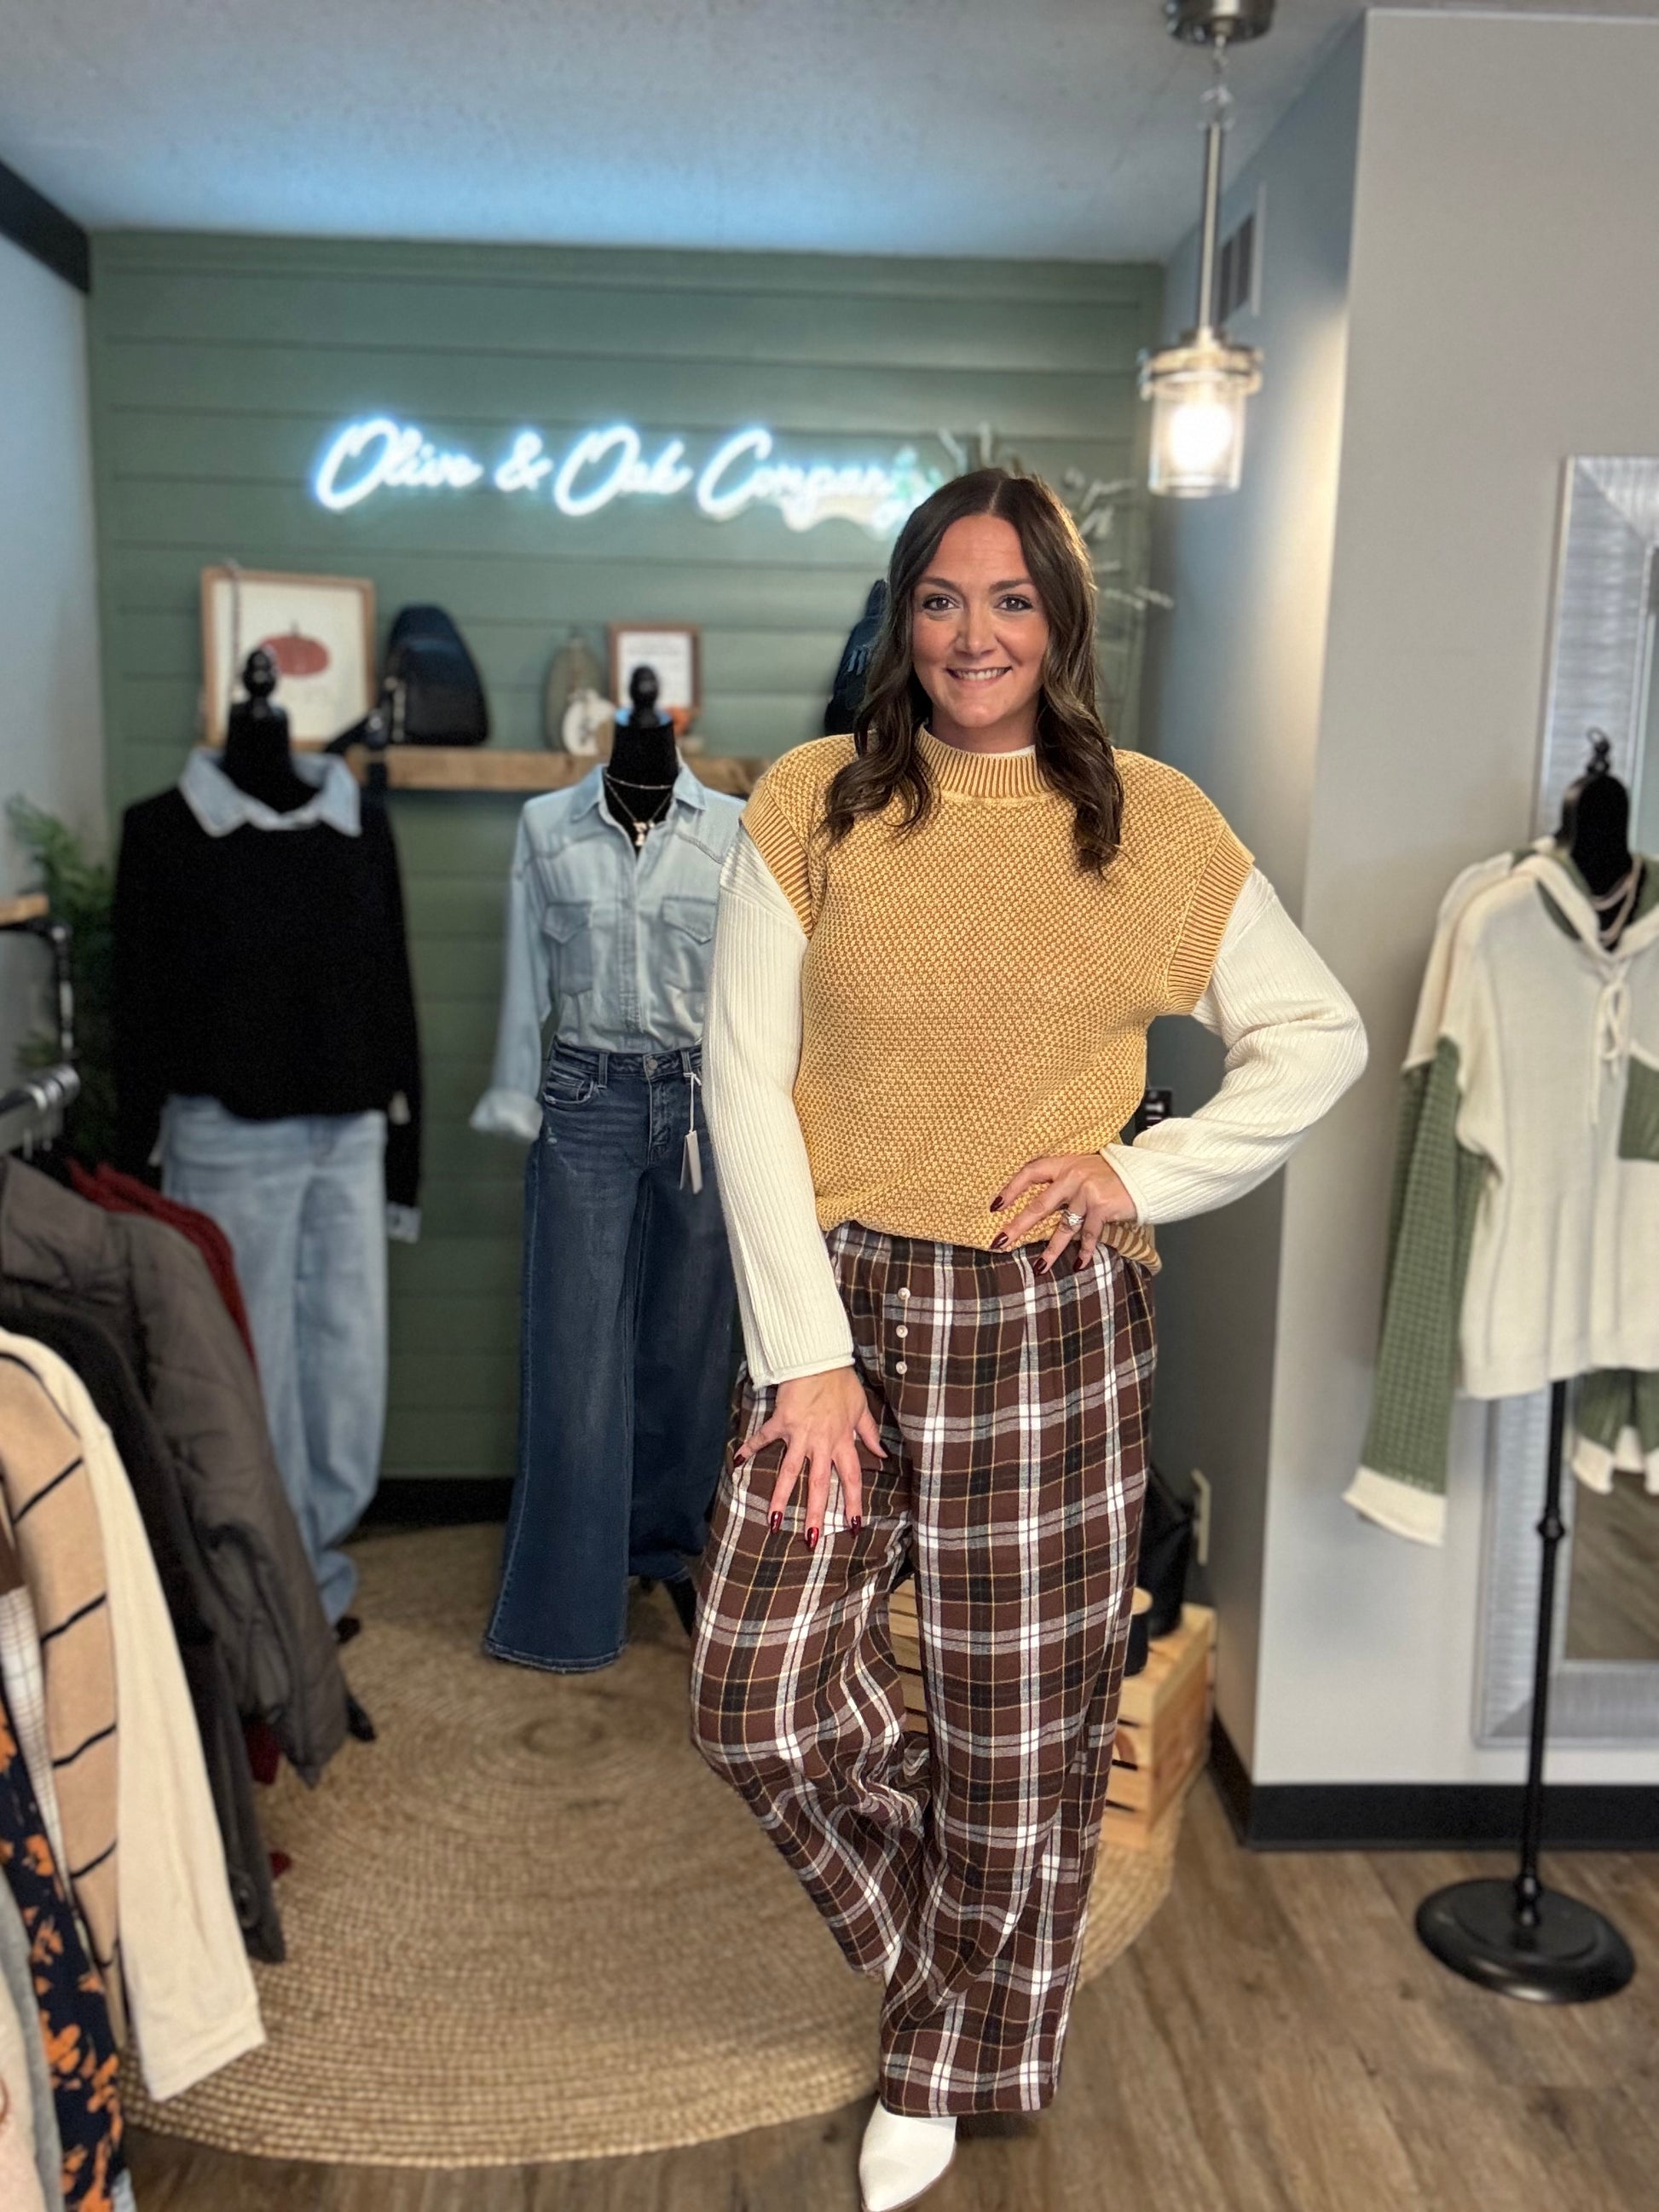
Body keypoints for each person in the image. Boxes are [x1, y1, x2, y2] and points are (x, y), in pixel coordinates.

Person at [691, 467, 1366, 2212]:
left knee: (1013, 1727)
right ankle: (961, 1968)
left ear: (1060, 621)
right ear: (901, 616)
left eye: (1009, 599)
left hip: (1048, 1309)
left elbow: (1317, 1037)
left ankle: (940, 2060)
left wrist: (1138, 1170)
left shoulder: (1149, 822)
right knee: (754, 1697)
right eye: (939, 597)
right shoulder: (813, 802)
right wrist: (803, 1351)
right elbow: (740, 1080)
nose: (971, 633)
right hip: (836, 1299)